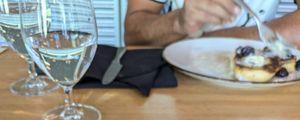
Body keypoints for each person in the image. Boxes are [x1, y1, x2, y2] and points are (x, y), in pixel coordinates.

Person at [125, 0, 300, 47]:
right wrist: (178, 23)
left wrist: (195, 44)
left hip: (266, 80)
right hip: (175, 84)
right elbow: (132, 34)